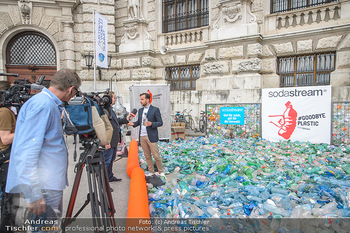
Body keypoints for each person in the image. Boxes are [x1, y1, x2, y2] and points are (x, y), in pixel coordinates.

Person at [5, 69, 81, 229]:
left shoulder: (45, 103)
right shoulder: (43, 105)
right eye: (75, 92)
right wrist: (33, 194)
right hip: (44, 185)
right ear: (71, 89)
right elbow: (27, 152)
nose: (73, 96)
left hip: (46, 184)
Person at [128, 93, 164, 176]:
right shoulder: (140, 110)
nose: (140, 101)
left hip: (151, 135)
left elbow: (160, 122)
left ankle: (161, 171)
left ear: (147, 100)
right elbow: (138, 122)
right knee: (147, 156)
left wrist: (151, 123)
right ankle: (151, 172)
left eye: (142, 99)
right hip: (142, 136)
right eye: (140, 99)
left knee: (156, 155)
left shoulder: (155, 110)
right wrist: (132, 124)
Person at [0, 81, 18, 233]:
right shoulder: (4, 112)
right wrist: (25, 131)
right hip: (6, 160)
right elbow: (5, 139)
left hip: (7, 159)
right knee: (9, 200)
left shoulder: (6, 110)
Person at [102, 91, 130, 186]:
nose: (115, 100)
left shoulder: (110, 109)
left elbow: (115, 122)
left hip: (114, 141)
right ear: (109, 99)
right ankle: (104, 183)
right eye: (114, 98)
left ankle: (110, 177)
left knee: (111, 160)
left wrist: (126, 120)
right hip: (108, 141)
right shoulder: (105, 110)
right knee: (106, 162)